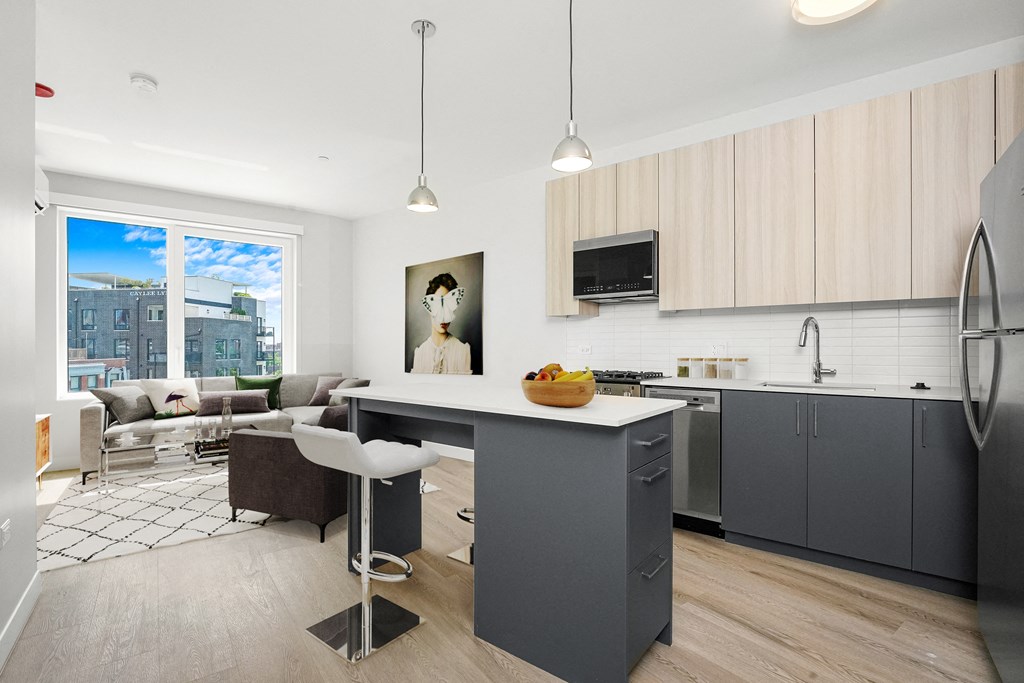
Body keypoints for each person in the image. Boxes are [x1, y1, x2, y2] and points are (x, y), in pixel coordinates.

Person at [411, 272, 472, 374]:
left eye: (447, 308)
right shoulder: (420, 353)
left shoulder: (463, 351)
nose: (443, 316)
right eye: (438, 306)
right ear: (429, 308)